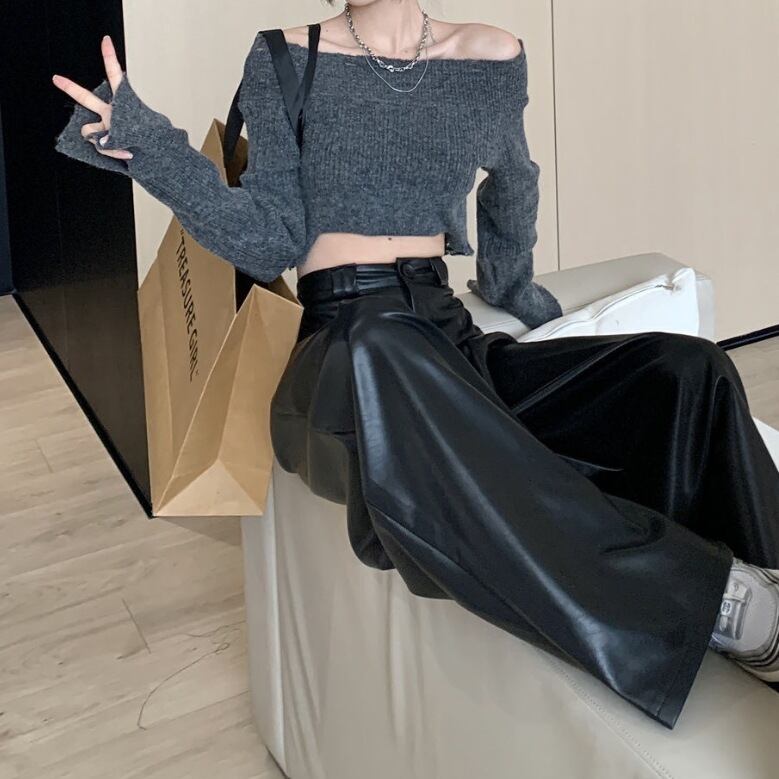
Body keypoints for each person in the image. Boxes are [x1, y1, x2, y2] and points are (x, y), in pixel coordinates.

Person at [52, 1, 779, 730]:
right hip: (345, 352)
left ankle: (770, 587)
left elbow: (513, 183)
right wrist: (153, 149)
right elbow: (269, 239)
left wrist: (512, 289)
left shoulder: (490, 56)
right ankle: (707, 597)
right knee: (384, 345)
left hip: (446, 338)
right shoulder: (285, 56)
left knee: (684, 371)